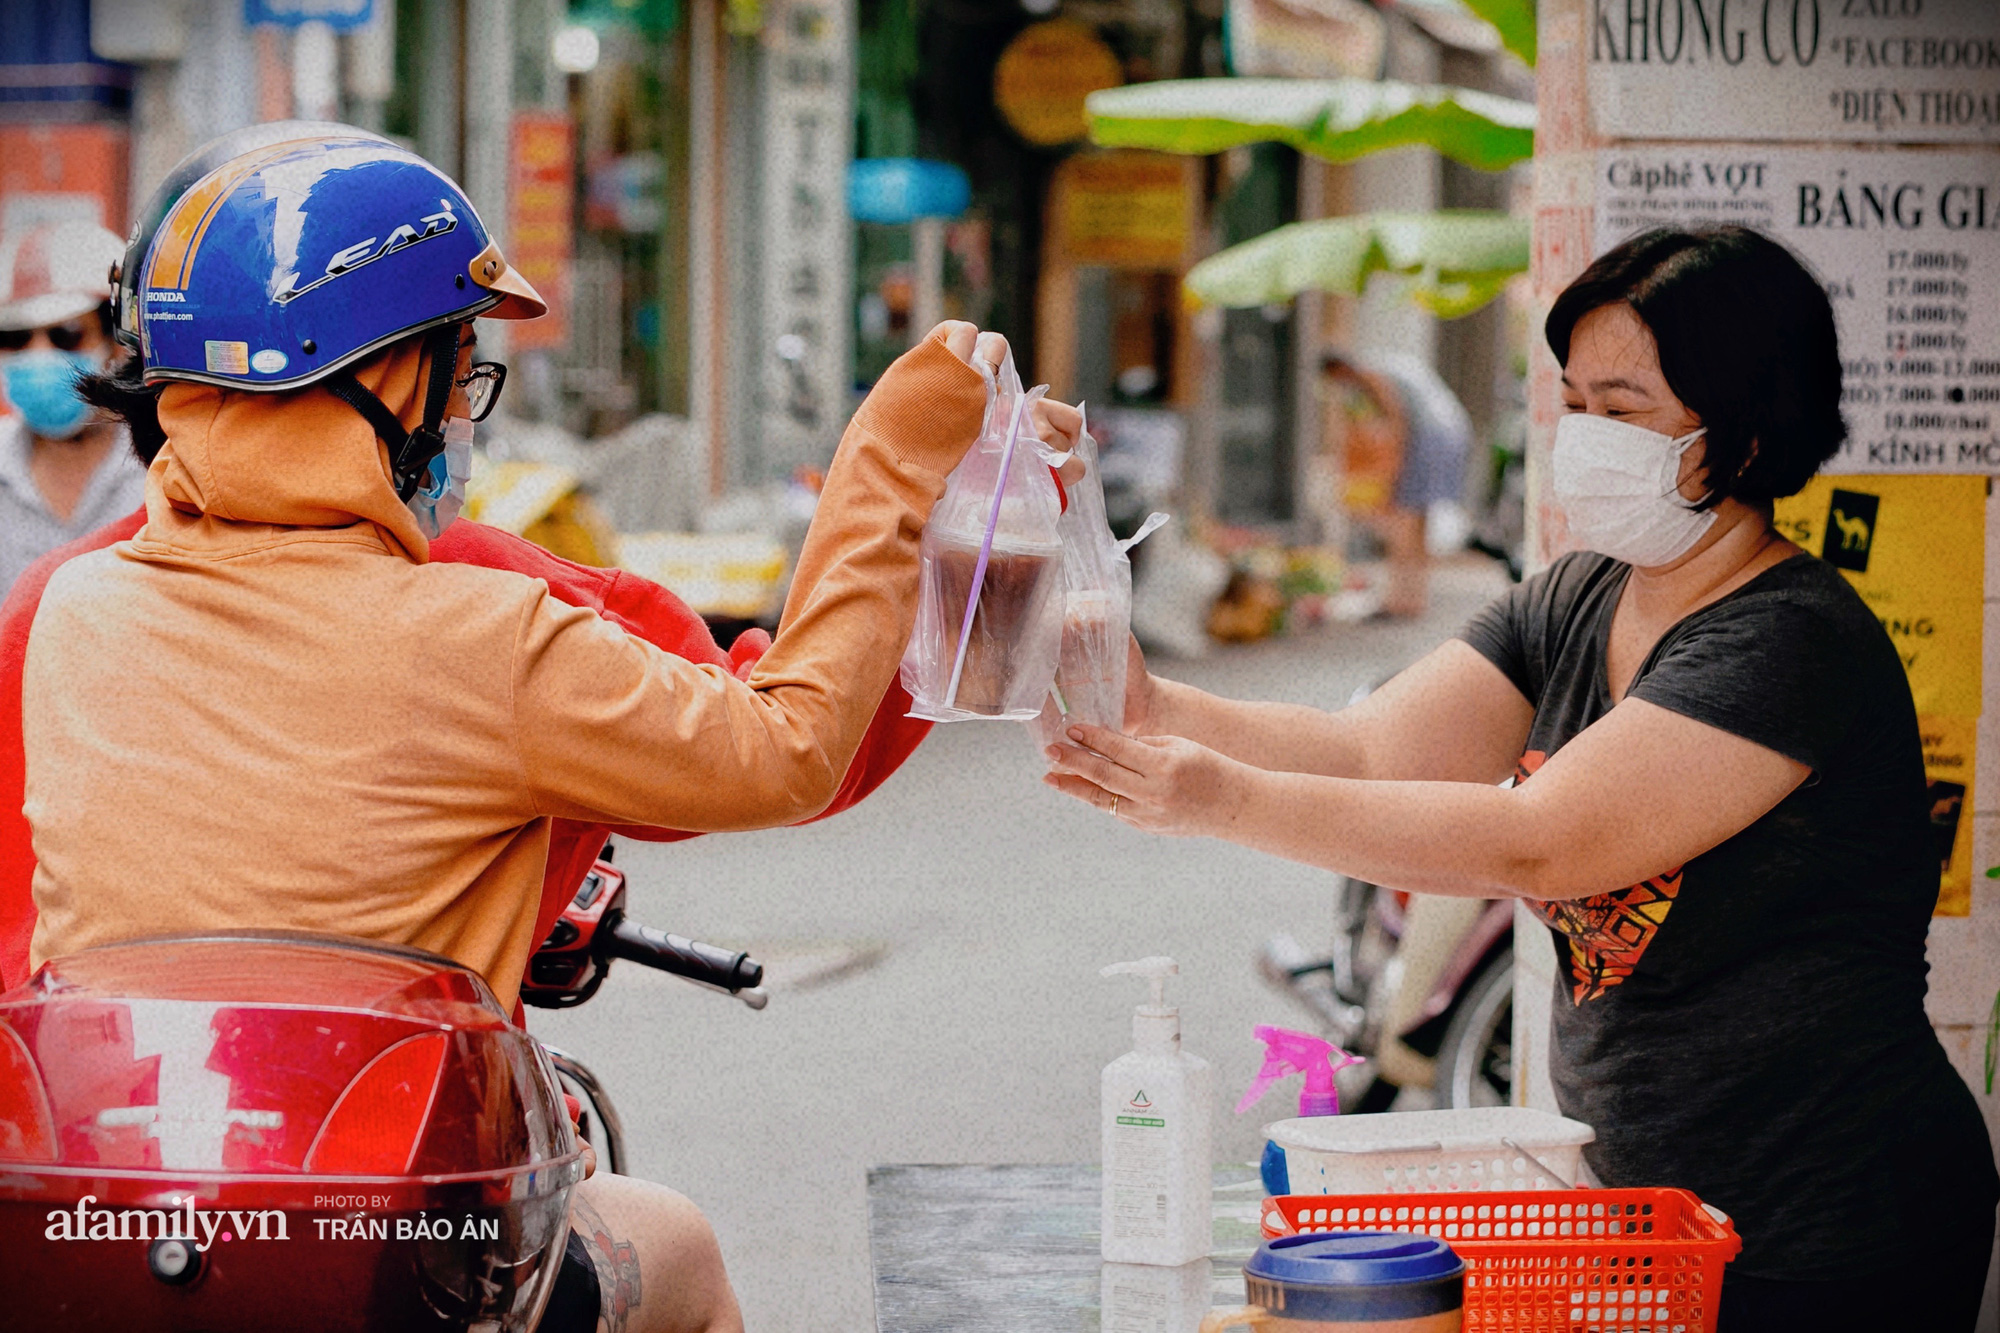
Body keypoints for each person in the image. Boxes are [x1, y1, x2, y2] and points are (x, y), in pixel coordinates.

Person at [16, 131, 1033, 1333]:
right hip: (386, 1244)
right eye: (457, 376)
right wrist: (893, 468)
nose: (460, 417)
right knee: (682, 1251)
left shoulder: (74, 611)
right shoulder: (484, 630)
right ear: (384, 381)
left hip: (96, 1223)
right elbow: (789, 750)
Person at [1045, 226, 1999, 1330]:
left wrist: (1217, 800)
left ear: (1741, 434)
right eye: (1574, 402)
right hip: (1653, 1209)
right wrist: (1145, 702)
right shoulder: (1575, 596)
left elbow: (1540, 840)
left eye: (1623, 406)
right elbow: (1372, 753)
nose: (1583, 437)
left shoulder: (1788, 641)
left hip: (1833, 1217)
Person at [0, 221, 149, 594]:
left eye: (65, 333)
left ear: (118, 343)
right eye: (16, 338)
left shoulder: (164, 477)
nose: (38, 356)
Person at [1315, 350, 1472, 619]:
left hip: (1429, 438)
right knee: (1418, 521)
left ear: (1339, 370)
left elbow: (1397, 424)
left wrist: (1391, 476)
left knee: (1404, 519)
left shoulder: (1372, 376)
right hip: (1453, 431)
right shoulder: (1386, 366)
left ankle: (1398, 599)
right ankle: (1415, 597)